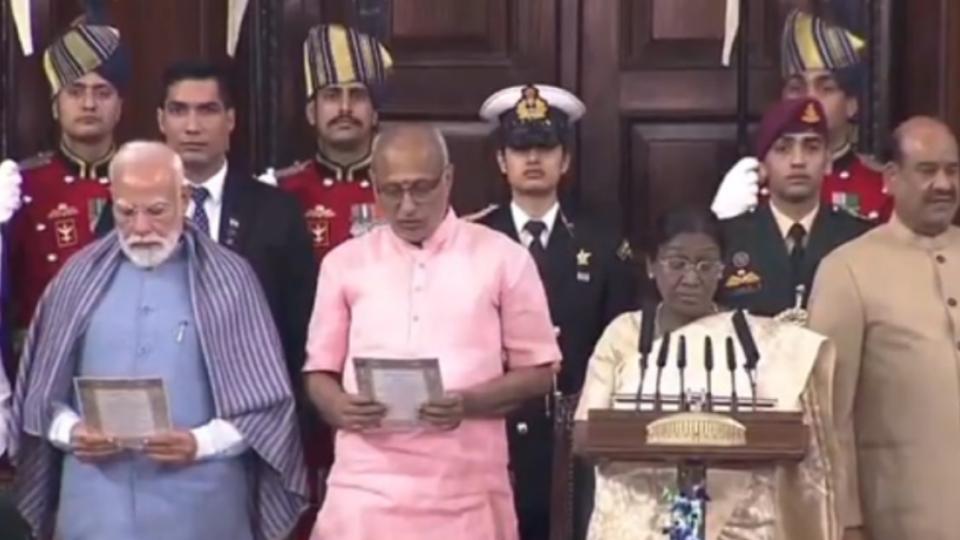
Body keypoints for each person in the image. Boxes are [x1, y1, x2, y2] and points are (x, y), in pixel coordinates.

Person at [9, 141, 307, 540]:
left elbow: (266, 410)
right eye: (126, 212)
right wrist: (71, 431)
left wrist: (199, 443)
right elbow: (41, 397)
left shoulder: (231, 279)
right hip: (94, 511)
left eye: (156, 211)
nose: (141, 228)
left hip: (201, 509)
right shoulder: (76, 278)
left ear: (183, 200)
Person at [303, 124, 561, 539]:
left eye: (421, 188)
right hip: (363, 491)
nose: (407, 206)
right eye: (392, 191)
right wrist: (336, 405)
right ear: (374, 186)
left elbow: (540, 371)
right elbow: (319, 371)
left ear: (449, 179)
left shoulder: (503, 258)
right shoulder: (343, 263)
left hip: (466, 492)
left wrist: (469, 403)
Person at [574, 207, 840, 540]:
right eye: (677, 264)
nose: (691, 278)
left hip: (738, 520)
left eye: (705, 265)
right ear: (651, 266)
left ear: (722, 269)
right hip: (638, 518)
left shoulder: (755, 340)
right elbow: (584, 436)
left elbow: (791, 434)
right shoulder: (624, 334)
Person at [476, 83, 637, 539]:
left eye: (546, 148)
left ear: (565, 160)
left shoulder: (603, 242)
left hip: (572, 431)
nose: (533, 159)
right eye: (519, 148)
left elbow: (623, 340)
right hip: (494, 426)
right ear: (501, 160)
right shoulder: (474, 240)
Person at [808, 116, 960, 540]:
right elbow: (828, 415)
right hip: (896, 517)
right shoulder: (848, 269)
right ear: (891, 178)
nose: (944, 184)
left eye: (952, 170)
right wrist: (846, 521)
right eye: (927, 171)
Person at [5, 20, 129, 369]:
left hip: (126, 361)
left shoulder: (145, 178)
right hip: (39, 362)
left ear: (120, 106)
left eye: (102, 92)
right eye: (75, 91)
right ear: (55, 105)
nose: (89, 103)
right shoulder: (20, 185)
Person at [712, 7, 890, 223]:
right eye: (797, 88)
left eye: (826, 88)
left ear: (851, 104)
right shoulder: (753, 186)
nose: (809, 99)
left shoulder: (883, 189)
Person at [719, 97, 870, 317]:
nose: (798, 161)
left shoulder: (860, 239)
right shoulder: (729, 237)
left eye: (811, 148)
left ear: (828, 161)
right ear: (762, 165)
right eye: (783, 149)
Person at [266, 24, 393, 261]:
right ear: (311, 113)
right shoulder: (282, 192)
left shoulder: (401, 190)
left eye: (357, 95)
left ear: (375, 113)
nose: (345, 108)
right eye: (332, 96)